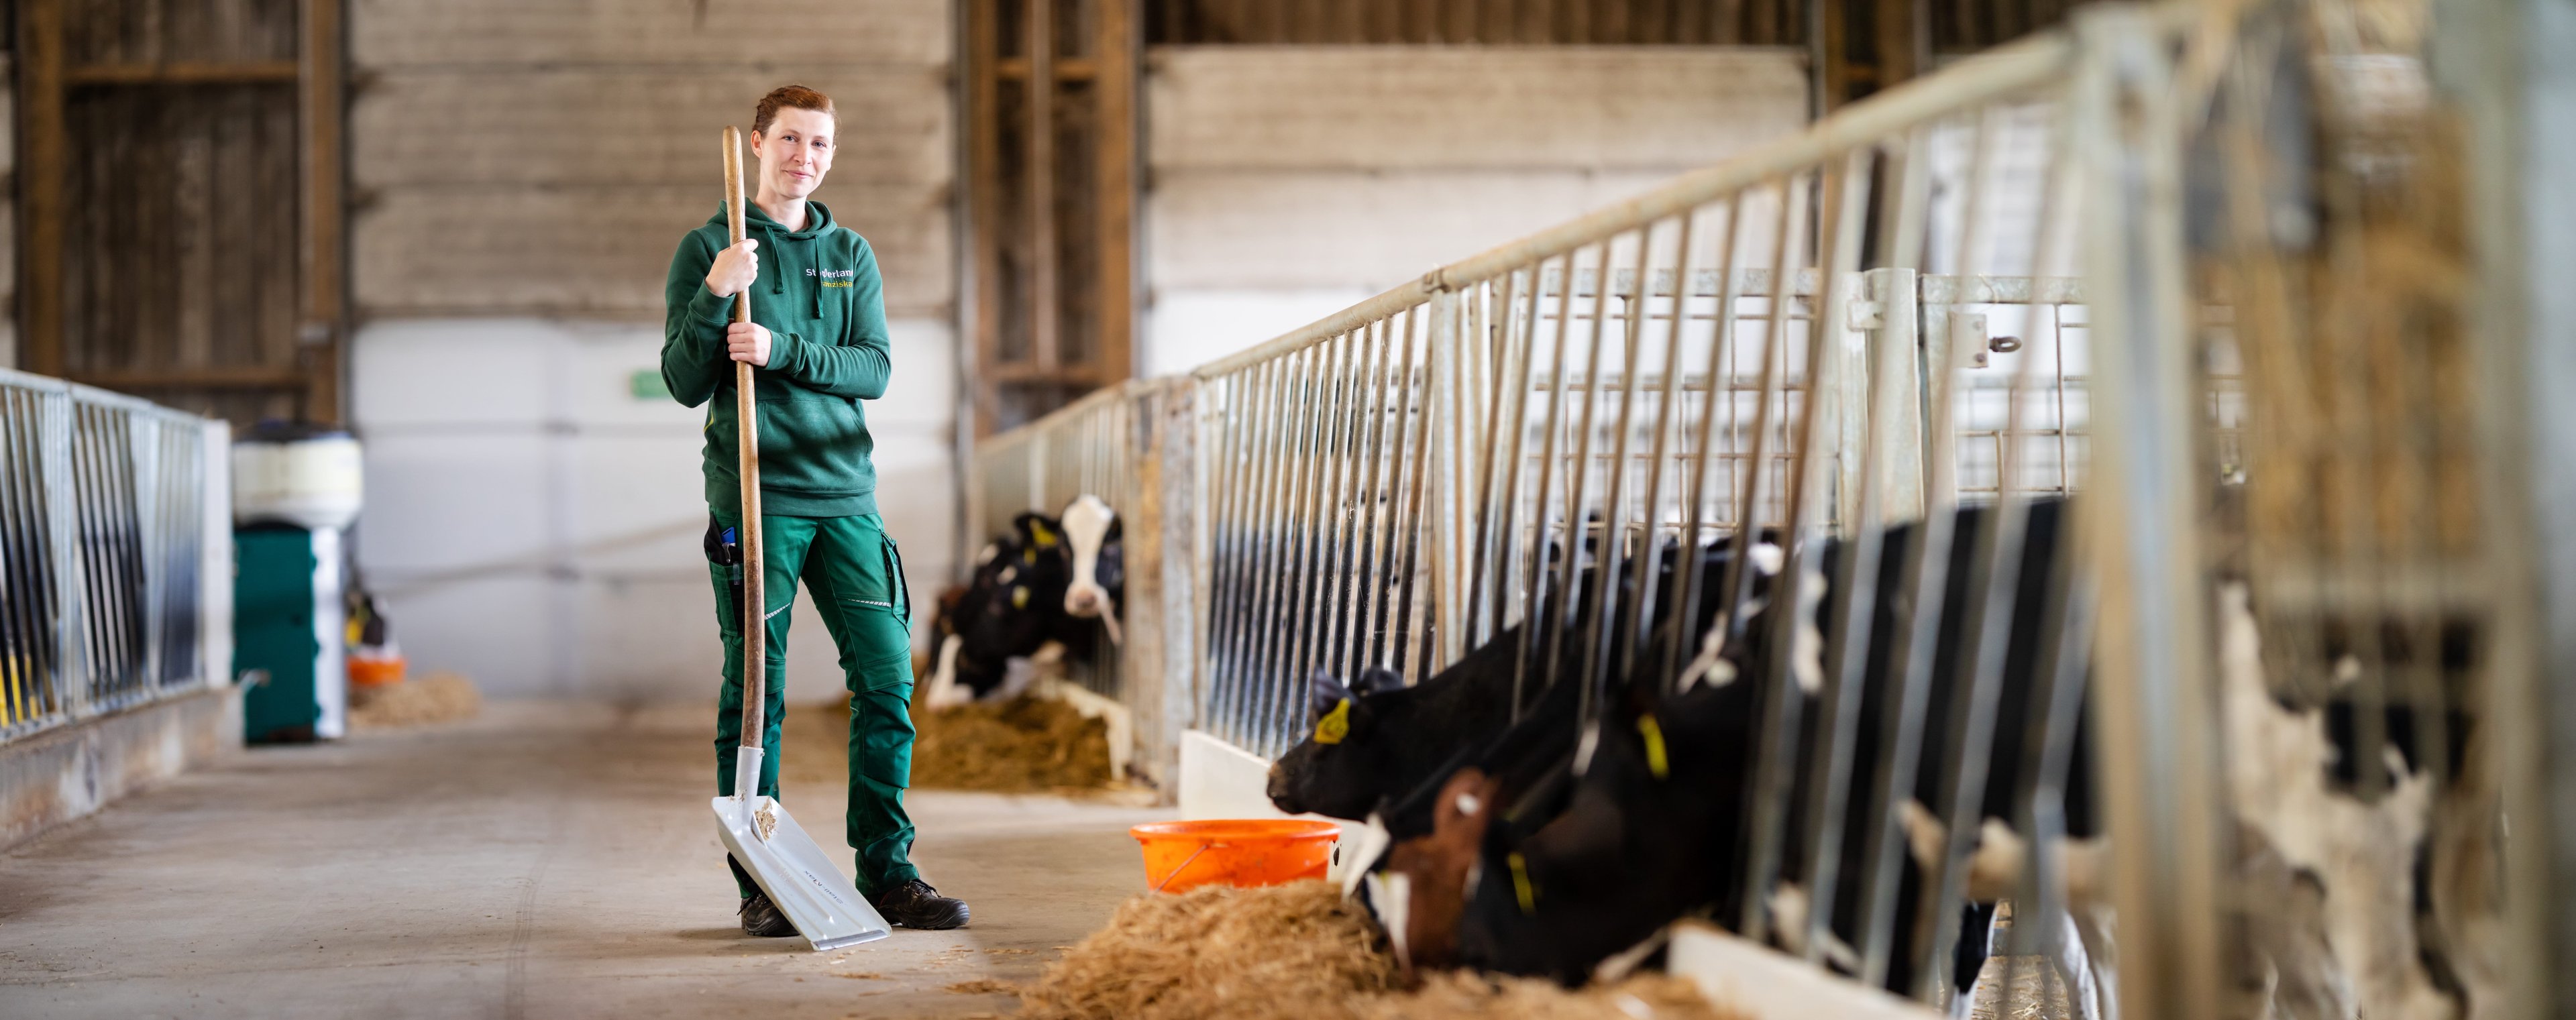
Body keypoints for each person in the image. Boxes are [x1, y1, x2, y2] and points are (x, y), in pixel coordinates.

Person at [659, 84, 968, 936]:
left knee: (888, 681)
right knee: (757, 692)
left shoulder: (850, 252)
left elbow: (873, 368)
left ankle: (890, 872)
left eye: (821, 144)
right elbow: (686, 383)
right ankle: (762, 882)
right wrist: (719, 293)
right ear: (758, 145)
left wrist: (780, 348)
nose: (806, 156)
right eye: (791, 139)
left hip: (846, 499)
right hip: (757, 499)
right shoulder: (709, 246)